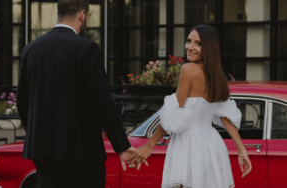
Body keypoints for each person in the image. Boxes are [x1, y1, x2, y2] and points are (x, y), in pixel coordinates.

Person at [17, 0, 146, 187]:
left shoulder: (30, 49)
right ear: (82, 15)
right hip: (82, 152)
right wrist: (122, 145)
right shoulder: (86, 48)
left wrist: (38, 136)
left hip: (43, 150)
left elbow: (22, 101)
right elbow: (103, 101)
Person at [129, 24, 252, 188]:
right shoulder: (217, 76)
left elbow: (174, 114)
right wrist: (242, 151)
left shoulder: (188, 70)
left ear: (208, 47)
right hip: (212, 145)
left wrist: (150, 145)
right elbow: (226, 116)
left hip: (188, 143)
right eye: (188, 41)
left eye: (198, 43)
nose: (190, 47)